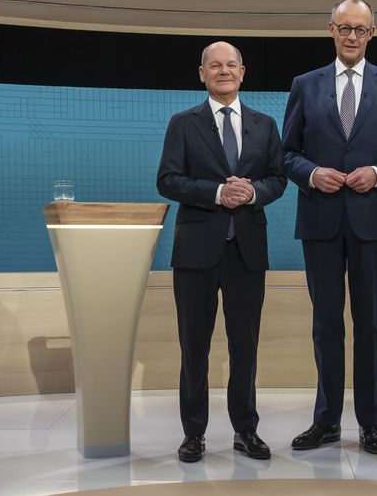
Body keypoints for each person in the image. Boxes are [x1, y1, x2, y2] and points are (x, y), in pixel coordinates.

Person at [282, 0, 377, 454]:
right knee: (326, 325)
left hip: (372, 222)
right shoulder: (304, 85)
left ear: (372, 34)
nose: (351, 36)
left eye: (360, 30)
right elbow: (286, 154)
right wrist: (312, 174)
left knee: (369, 325)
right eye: (344, 28)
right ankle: (326, 421)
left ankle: (370, 423)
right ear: (331, 29)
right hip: (320, 222)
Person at [157, 41, 286, 462]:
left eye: (231, 65)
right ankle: (193, 433)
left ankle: (245, 430)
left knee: (244, 346)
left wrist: (252, 191)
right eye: (215, 65)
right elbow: (168, 180)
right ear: (202, 74)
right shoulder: (183, 123)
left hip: (247, 251)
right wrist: (217, 192)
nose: (224, 71)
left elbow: (278, 179)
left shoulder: (265, 125)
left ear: (243, 72)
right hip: (195, 252)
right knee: (194, 347)